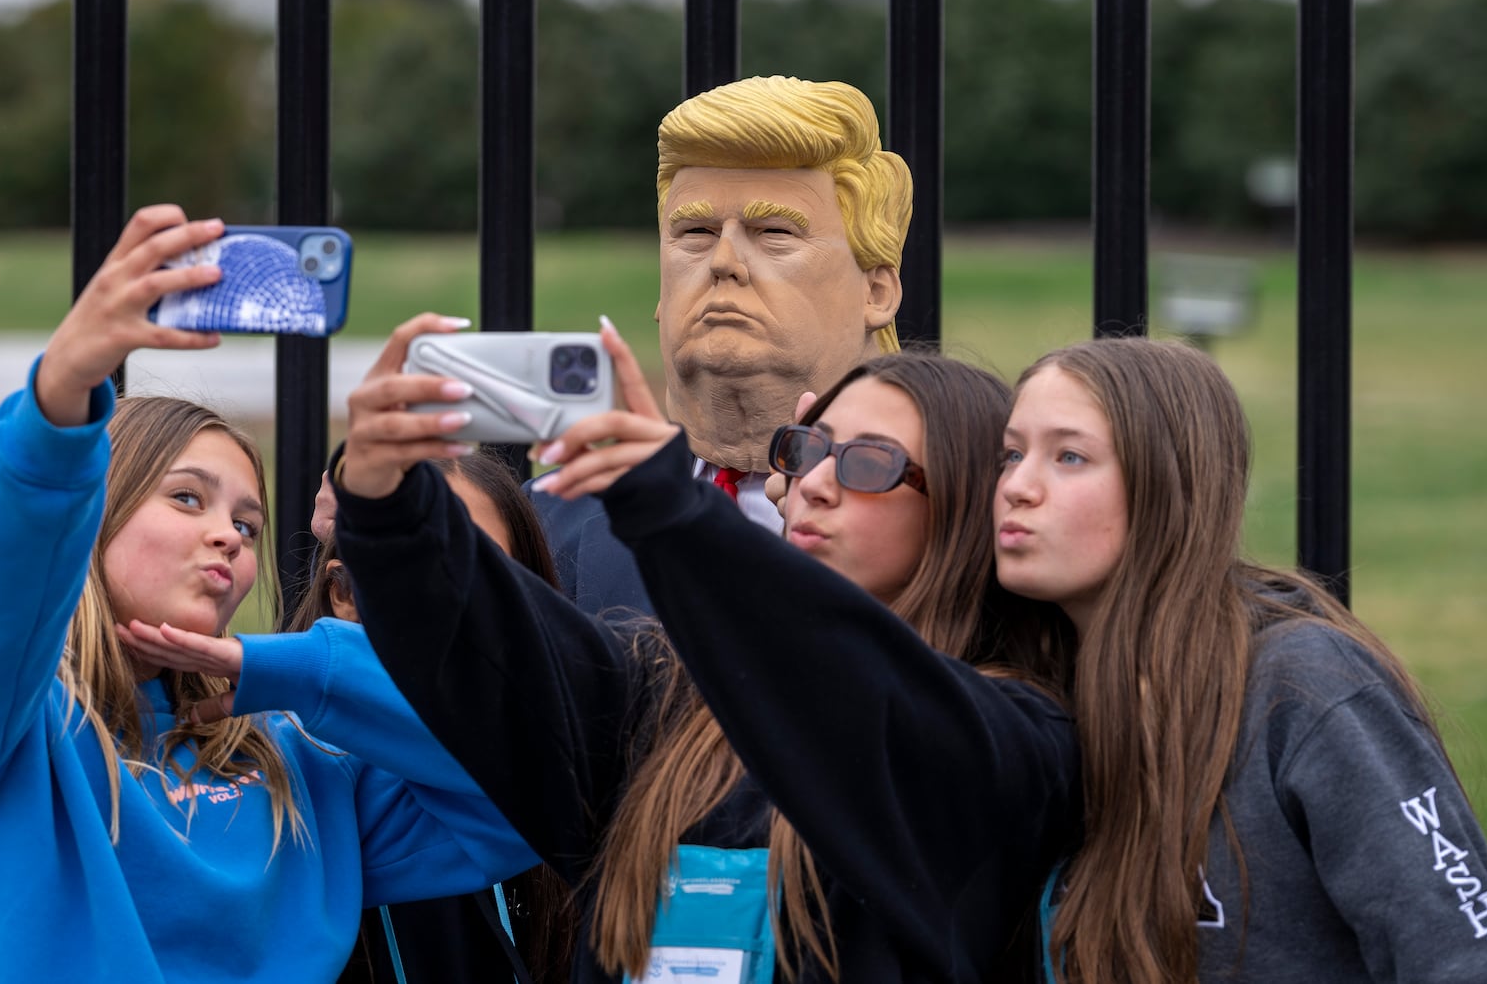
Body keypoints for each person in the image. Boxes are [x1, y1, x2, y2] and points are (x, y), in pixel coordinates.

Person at [0, 207, 537, 983]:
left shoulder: (297, 762)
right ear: (88, 516)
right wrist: (62, 389)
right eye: (189, 499)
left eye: (249, 523)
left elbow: (521, 785)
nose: (230, 535)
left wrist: (300, 668)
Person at [328, 312, 1080, 982]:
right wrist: (390, 502)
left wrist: (667, 509)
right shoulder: (669, 699)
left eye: (870, 463)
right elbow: (497, 652)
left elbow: (863, 697)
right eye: (809, 447)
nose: (814, 482)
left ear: (961, 506)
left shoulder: (1015, 737)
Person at [996, 336, 1487, 982]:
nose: (1017, 486)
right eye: (1010, 454)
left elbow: (1460, 952)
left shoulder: (1303, 685)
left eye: (1069, 455)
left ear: (1169, 483)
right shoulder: (1033, 697)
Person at [147, 451, 576, 984]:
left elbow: (539, 784)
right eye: (413, 565)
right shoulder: (313, 761)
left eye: (488, 570)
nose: (452, 596)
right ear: (344, 594)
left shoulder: (328, 765)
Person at [532, 75, 911, 614]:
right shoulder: (545, 524)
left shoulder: (953, 521)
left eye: (775, 233)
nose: (723, 262)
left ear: (875, 291)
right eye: (696, 234)